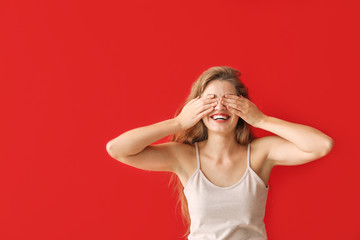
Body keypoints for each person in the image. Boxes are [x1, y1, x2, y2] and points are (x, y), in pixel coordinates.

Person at [106, 66, 334, 240]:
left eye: (229, 100)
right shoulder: (184, 157)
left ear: (243, 106)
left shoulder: (260, 154)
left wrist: (261, 119)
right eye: (210, 100)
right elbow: (117, 149)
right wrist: (178, 122)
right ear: (196, 108)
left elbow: (321, 145)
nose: (220, 107)